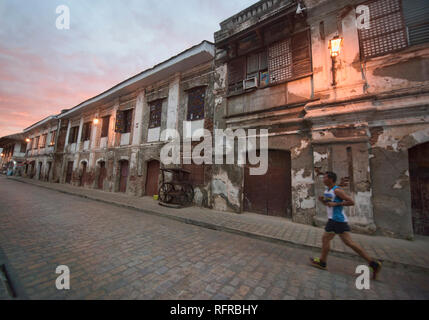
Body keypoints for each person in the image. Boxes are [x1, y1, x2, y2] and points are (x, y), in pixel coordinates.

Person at [310, 171, 382, 280]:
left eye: (325, 177)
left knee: (327, 239)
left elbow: (351, 202)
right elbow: (329, 204)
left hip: (337, 220)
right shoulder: (328, 190)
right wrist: (323, 201)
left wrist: (337, 204)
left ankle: (322, 262)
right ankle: (373, 263)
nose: (323, 179)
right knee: (348, 243)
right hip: (335, 220)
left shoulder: (337, 190)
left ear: (330, 179)